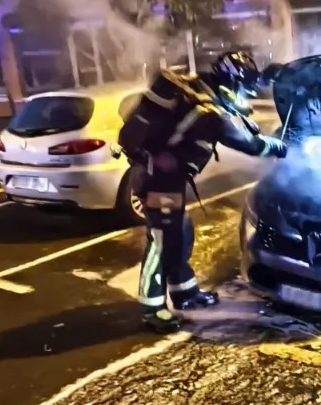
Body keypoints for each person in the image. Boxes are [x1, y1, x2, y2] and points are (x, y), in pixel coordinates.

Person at [118, 51, 287, 334]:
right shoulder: (210, 110)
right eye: (243, 86)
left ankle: (185, 293)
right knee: (161, 242)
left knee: (179, 235)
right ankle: (152, 308)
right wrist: (278, 146)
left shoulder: (200, 88)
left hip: (164, 179)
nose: (245, 93)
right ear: (231, 81)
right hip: (158, 182)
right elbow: (250, 144)